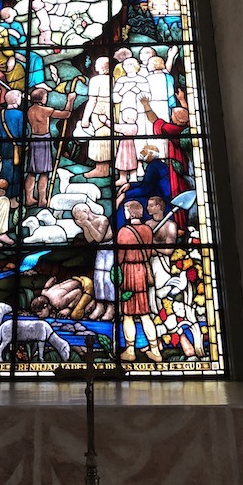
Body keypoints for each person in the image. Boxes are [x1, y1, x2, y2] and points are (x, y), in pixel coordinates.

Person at [117, 200, 161, 363]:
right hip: (142, 271)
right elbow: (149, 252)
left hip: (129, 272)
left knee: (128, 315)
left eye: (125, 210)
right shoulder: (147, 230)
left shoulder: (123, 232)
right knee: (145, 314)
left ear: (130, 212)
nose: (124, 213)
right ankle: (155, 350)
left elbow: (119, 257)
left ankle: (130, 351)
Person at [140, 92, 191, 227]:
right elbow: (189, 116)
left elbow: (155, 120)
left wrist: (146, 106)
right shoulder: (188, 127)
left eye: (172, 115)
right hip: (185, 164)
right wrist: (182, 100)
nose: (170, 116)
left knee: (177, 191)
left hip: (176, 166)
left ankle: (181, 224)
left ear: (176, 120)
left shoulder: (172, 130)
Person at [25, 87, 76, 207]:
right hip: (43, 141)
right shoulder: (45, 110)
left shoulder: (29, 110)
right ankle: (42, 200)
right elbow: (66, 114)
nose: (46, 98)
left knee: (32, 172)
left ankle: (28, 198)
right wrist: (70, 101)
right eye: (45, 96)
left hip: (33, 139)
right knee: (44, 172)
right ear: (42, 98)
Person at [72, 203, 115, 321]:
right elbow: (90, 240)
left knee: (108, 278)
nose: (79, 219)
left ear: (86, 212)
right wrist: (85, 227)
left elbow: (98, 237)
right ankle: (100, 306)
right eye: (77, 218)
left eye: (79, 216)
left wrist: (88, 225)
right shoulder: (88, 223)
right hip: (101, 249)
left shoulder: (103, 220)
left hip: (111, 249)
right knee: (98, 278)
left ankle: (111, 307)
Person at [0, 89, 25, 209]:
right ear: (16, 100)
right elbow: (23, 133)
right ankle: (13, 198)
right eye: (20, 97)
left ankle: (3, 194)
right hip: (17, 147)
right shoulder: (20, 115)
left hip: (4, 146)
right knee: (16, 171)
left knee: (5, 168)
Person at [0, 6, 45, 87]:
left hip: (19, 49)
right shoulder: (0, 27)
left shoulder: (17, 24)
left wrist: (18, 36)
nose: (14, 11)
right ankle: (28, 84)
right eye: (12, 10)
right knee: (23, 64)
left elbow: (23, 39)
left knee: (36, 58)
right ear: (7, 15)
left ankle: (39, 82)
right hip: (6, 52)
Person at [81, 56, 111, 179]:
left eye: (97, 64)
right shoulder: (113, 79)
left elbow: (92, 100)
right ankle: (105, 168)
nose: (95, 65)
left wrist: (85, 118)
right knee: (108, 136)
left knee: (100, 137)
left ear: (102, 66)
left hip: (99, 110)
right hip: (111, 110)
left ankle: (101, 169)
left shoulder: (95, 80)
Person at [99, 107, 139, 184]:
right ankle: (133, 178)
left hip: (125, 147)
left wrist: (105, 121)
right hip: (131, 147)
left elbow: (116, 127)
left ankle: (123, 178)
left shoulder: (128, 127)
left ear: (127, 117)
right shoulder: (135, 126)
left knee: (123, 161)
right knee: (132, 161)